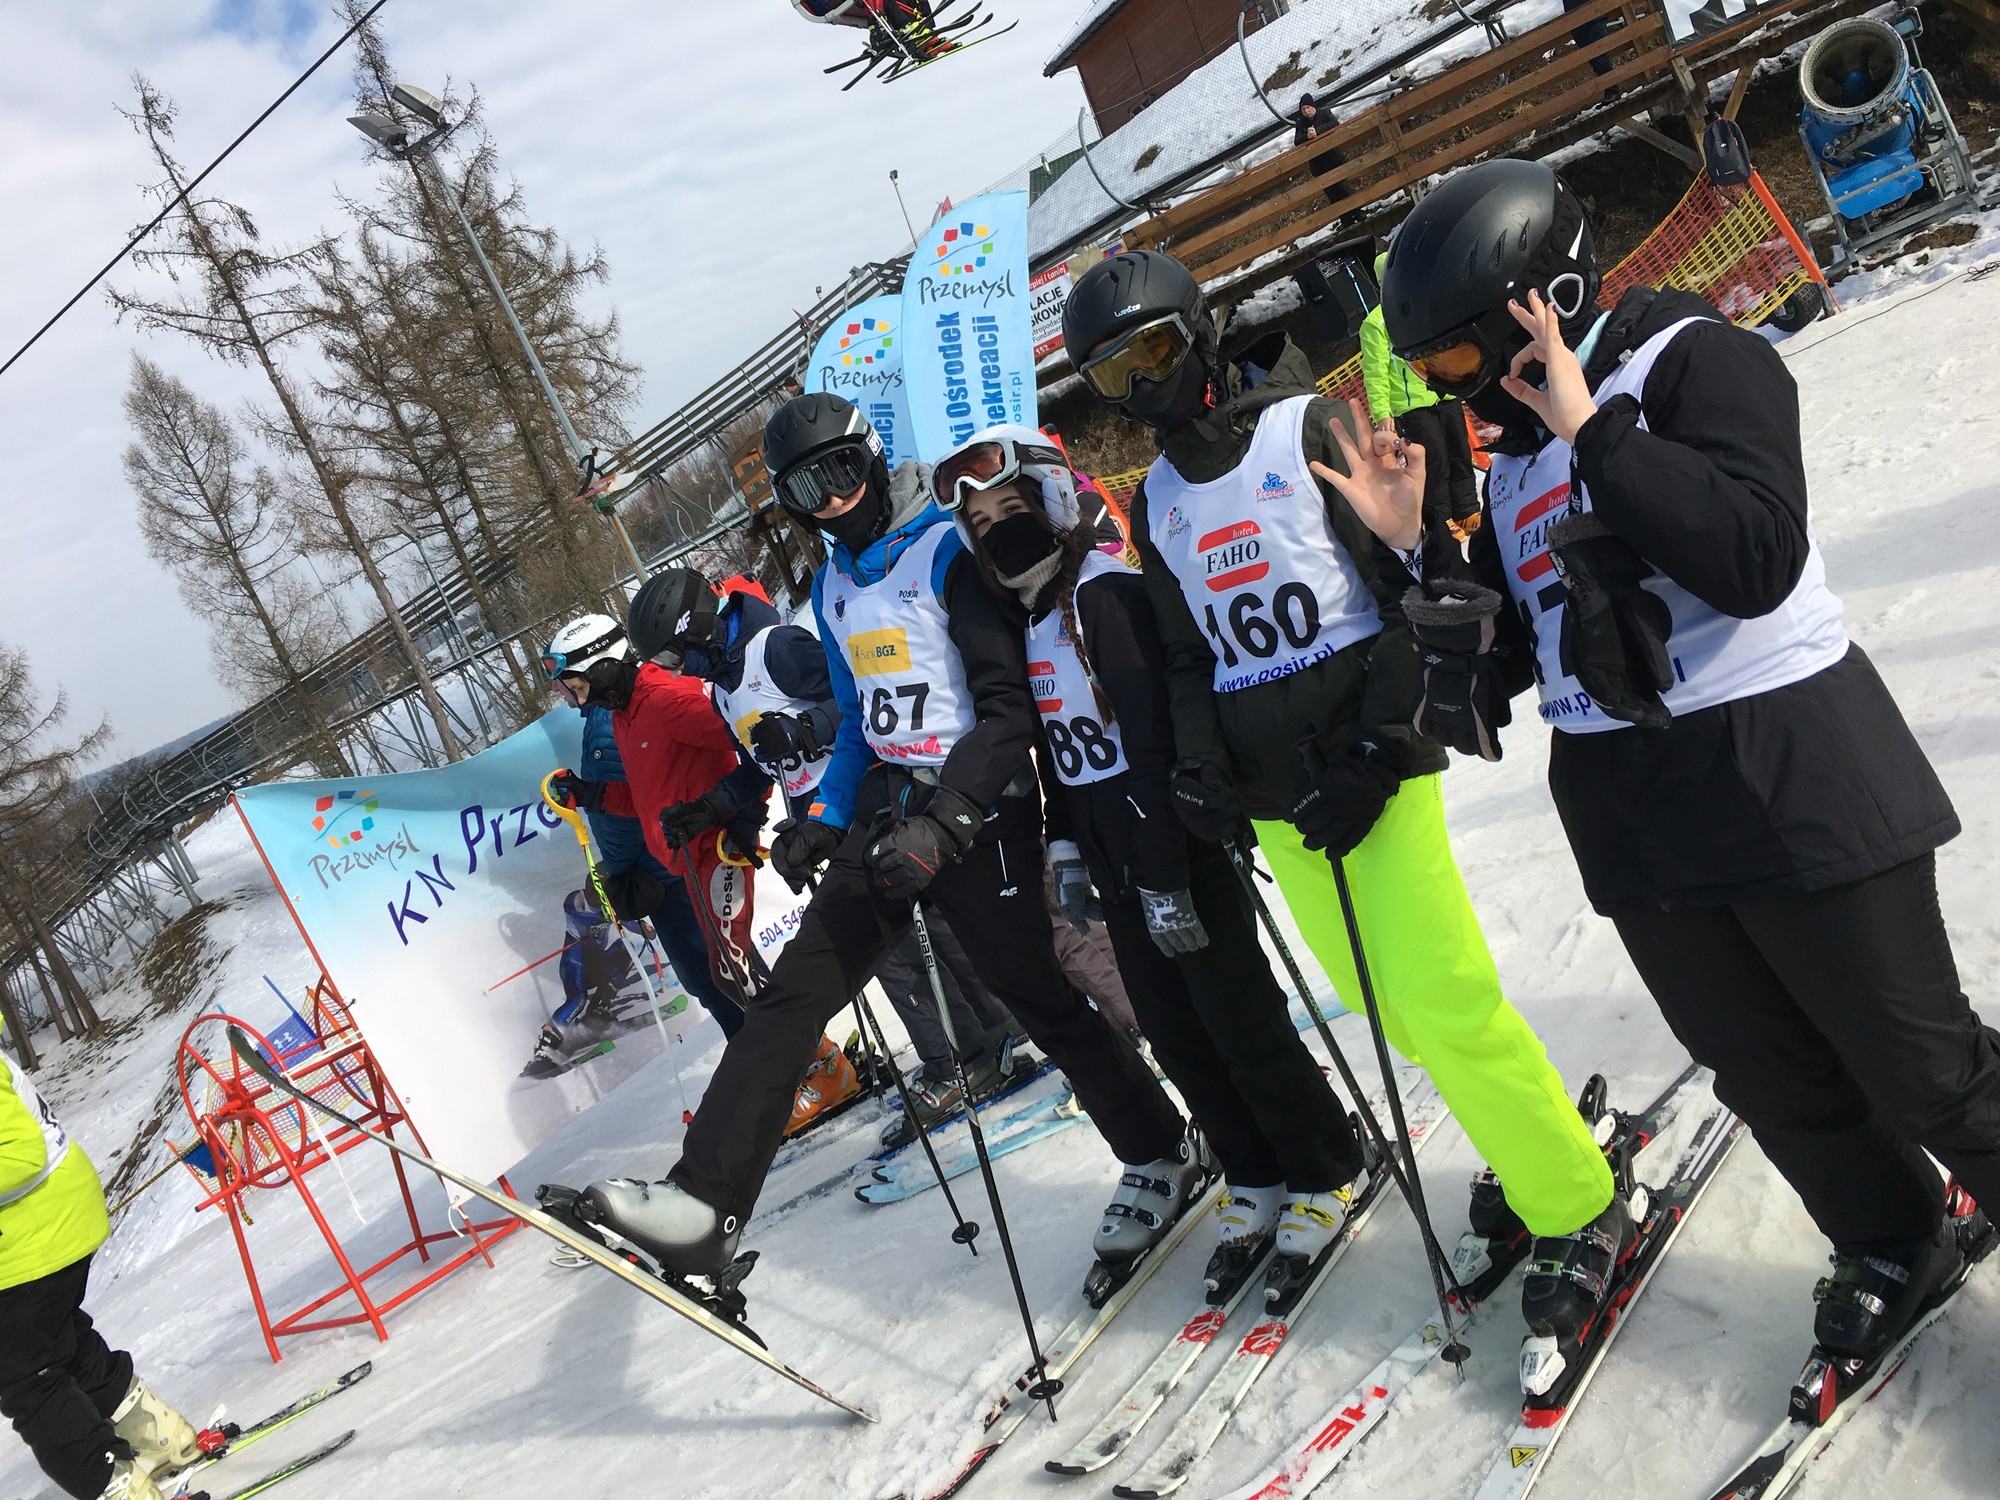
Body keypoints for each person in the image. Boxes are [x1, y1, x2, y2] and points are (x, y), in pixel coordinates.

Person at [1376, 156, 1999, 1366]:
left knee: (1923, 1066)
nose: (1457, 396)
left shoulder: (1687, 362)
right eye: (1434, 372)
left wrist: (1593, 429)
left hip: (1781, 766)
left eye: (1456, 360)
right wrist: (1418, 561)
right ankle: (1891, 1233)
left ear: (1541, 303)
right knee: (1766, 1070)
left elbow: (1755, 553)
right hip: (1632, 809)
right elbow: (1510, 660)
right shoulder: (1514, 463)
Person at [1061, 248, 1620, 1346]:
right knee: (1388, 1009)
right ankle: (1532, 1143)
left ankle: (1576, 1199)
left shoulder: (1303, 428)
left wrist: (1379, 745)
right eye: (1115, 374)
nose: (1145, 384)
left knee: (1444, 998)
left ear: (1201, 335)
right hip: (1277, 799)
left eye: (1156, 350)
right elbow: (1187, 655)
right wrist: (1198, 768)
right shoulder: (1157, 496)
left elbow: (1399, 585)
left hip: (1369, 765)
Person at [581, 393, 1194, 1283]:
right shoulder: (832, 587)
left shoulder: (945, 548)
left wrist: (948, 820)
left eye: (841, 472)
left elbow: (1007, 707)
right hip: (887, 803)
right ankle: (703, 1200)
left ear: (871, 458)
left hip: (978, 808)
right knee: (796, 992)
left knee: (1040, 998)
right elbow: (860, 722)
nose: (831, 499)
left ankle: (1158, 1148)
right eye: (806, 489)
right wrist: (824, 818)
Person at [942, 424, 1373, 1300]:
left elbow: (1154, 739)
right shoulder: (1032, 620)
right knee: (1176, 1032)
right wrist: (1066, 843)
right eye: (980, 526)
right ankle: (1251, 1168)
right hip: (1110, 852)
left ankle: (1326, 1162)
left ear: (1053, 504)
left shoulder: (1107, 594)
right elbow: (1061, 753)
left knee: (1238, 1018)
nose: (999, 534)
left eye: (1011, 510)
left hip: (1172, 843)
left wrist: (1165, 867)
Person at [621, 566, 1034, 1147]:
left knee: (896, 946)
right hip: (820, 823)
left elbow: (858, 705)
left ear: (698, 628)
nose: (674, 670)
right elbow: (757, 766)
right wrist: (712, 807)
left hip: (866, 799)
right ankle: (989, 1037)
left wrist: (804, 730)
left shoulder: (777, 649)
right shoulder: (721, 687)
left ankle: (966, 1058)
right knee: (911, 938)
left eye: (671, 655)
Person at [541, 616, 746, 1049]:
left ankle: (801, 1063)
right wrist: (593, 794)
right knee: (708, 978)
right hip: (668, 865)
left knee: (727, 974)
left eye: (574, 685)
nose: (571, 696)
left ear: (601, 667)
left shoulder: (653, 703)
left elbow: (744, 739)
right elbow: (646, 795)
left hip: (685, 867)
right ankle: (774, 1064)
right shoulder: (621, 714)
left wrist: (732, 808)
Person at [2, 1056, 202, 1500]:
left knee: (26, 1378)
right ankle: (159, 1437)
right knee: (60, 1342)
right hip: (51, 1221)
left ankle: (115, 1486)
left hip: (32, 1236)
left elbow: (20, 1154)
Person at [1359, 250, 1479, 536]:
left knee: (1459, 450)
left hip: (1444, 392)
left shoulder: (1426, 305)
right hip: (1411, 406)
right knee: (1433, 458)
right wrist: (1382, 412)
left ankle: (1467, 509)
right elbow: (1375, 372)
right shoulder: (1376, 324)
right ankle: (1441, 518)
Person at [1293, 93, 1349, 208]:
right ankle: (1344, 216)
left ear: (1313, 106)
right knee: (1332, 194)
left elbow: (1334, 123)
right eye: (1303, 109)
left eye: (1308, 107)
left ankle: (1357, 212)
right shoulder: (1301, 123)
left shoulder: (1324, 113)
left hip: (1334, 158)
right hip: (1318, 164)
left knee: (1344, 187)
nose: (1306, 111)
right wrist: (1307, 136)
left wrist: (1317, 131)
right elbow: (1297, 141)